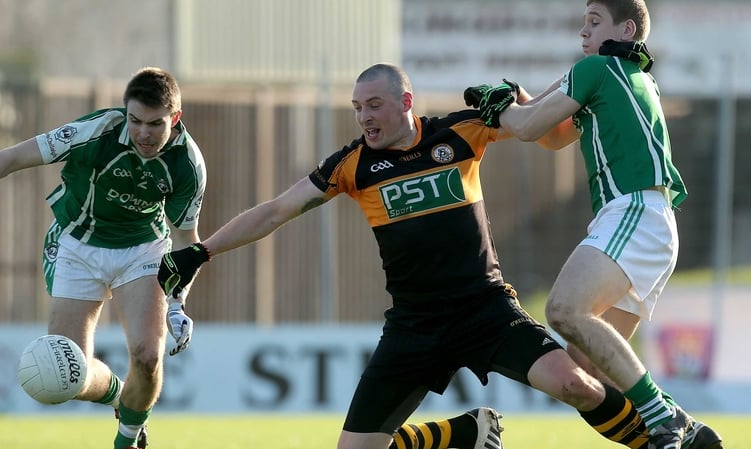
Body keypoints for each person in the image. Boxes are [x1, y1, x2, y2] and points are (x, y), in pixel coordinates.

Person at [157, 62, 661, 449]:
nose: (364, 117)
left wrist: (532, 94)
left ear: (406, 102)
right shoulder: (353, 165)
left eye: (374, 105)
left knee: (577, 384)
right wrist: (202, 251)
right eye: (358, 107)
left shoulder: (462, 132)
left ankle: (665, 438)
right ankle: (464, 436)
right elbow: (275, 211)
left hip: (485, 311)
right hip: (414, 327)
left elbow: (547, 130)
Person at [463, 1, 723, 448]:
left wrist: (503, 107)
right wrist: (520, 101)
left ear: (625, 29)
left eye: (595, 21)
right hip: (653, 222)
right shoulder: (628, 76)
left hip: (633, 213)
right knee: (587, 369)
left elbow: (526, 129)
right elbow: (552, 134)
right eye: (583, 21)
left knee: (564, 310)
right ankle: (685, 428)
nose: (583, 30)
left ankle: (663, 419)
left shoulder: (597, 68)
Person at [0, 67, 206, 449]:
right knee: (68, 374)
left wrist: (177, 303)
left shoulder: (188, 165)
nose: (143, 133)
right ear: (125, 112)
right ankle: (118, 394)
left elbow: (185, 240)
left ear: (174, 118)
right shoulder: (97, 130)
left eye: (155, 124)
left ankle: (128, 438)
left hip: (143, 250)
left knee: (148, 357)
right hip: (77, 245)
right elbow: (11, 158)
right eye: (135, 120)